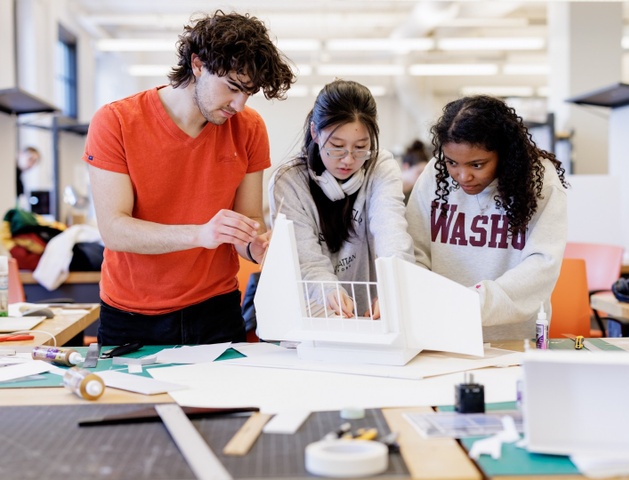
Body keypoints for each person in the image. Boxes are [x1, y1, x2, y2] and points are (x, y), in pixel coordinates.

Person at [84, 11, 295, 345]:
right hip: (132, 315)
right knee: (131, 400)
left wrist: (255, 246)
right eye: (232, 88)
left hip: (216, 311)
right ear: (198, 65)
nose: (239, 105)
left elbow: (248, 220)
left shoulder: (249, 128)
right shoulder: (116, 122)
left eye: (248, 93)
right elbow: (114, 231)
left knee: (230, 400)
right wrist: (201, 234)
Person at [406, 95, 569, 341]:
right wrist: (430, 300)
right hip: (443, 331)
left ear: (504, 154)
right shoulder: (435, 175)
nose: (462, 175)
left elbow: (540, 267)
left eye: (477, 165)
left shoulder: (541, 183)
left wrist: (470, 303)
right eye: (452, 162)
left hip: (514, 338)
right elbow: (415, 251)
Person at [268, 79, 414, 318]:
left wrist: (393, 288)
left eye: (360, 147)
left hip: (372, 316)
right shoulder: (289, 181)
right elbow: (307, 261)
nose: (348, 160)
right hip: (313, 315)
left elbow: (392, 232)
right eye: (337, 147)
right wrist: (329, 292)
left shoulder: (381, 167)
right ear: (315, 132)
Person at [400, 139, 429, 203]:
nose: (422, 177)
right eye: (419, 172)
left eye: (425, 173)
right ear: (406, 166)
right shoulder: (390, 190)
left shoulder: (419, 194)